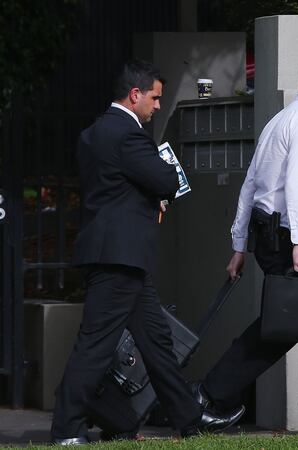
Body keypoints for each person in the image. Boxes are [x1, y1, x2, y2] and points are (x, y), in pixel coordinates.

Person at [51, 60, 244, 445]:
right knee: (95, 345)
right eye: (154, 98)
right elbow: (166, 179)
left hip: (115, 255)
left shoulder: (92, 133)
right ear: (135, 94)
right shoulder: (129, 135)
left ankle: (189, 419)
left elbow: (114, 188)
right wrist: (159, 188)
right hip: (119, 259)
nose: (158, 106)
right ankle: (67, 430)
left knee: (157, 341)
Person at [193, 52, 298, 433]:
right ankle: (213, 395)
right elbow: (297, 183)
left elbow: (250, 184)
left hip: (272, 233)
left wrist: (239, 244)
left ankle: (212, 396)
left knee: (291, 326)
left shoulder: (280, 120)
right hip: (289, 235)